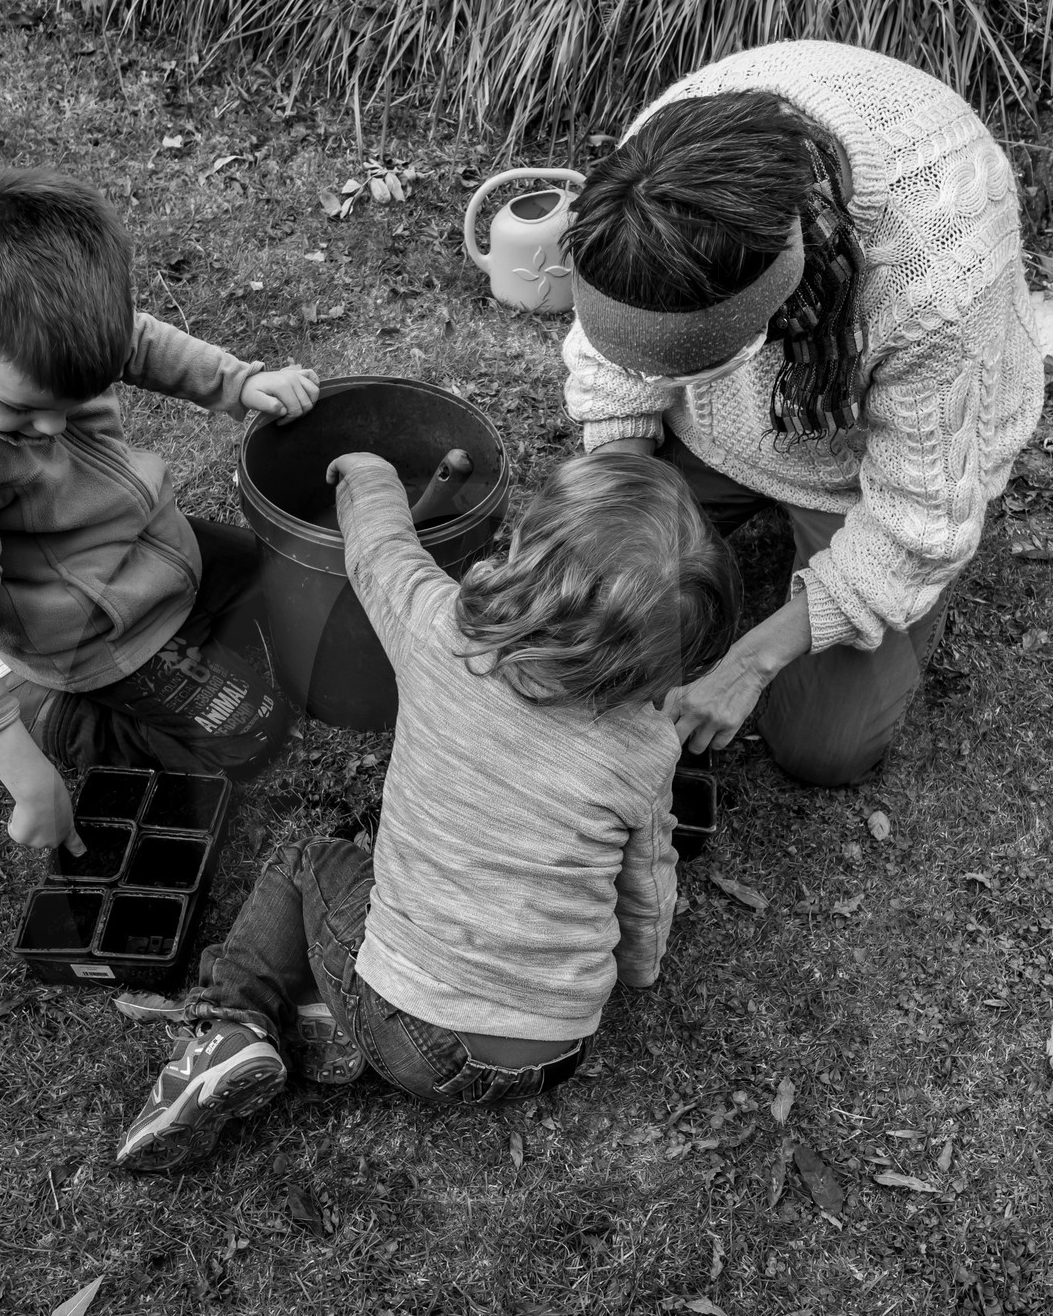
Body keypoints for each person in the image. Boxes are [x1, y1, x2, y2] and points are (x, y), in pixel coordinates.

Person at [114, 452, 741, 1170]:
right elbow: (646, 884)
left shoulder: (443, 635)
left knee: (310, 861)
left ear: (523, 557)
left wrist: (369, 474)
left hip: (418, 1037)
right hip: (556, 1045)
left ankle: (234, 1026)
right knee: (387, 862)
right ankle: (341, 1024)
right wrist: (640, 968)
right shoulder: (646, 748)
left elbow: (381, 552)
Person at [562, 41, 1044, 787]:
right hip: (719, 431)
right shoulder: (661, 159)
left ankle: (899, 609)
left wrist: (750, 662)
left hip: (867, 474)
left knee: (826, 750)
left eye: (687, 362)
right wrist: (619, 491)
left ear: (774, 305)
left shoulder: (938, 277)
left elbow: (917, 517)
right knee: (587, 597)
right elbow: (617, 355)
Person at [0, 166, 318, 854]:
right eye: (26, 410)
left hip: (146, 546)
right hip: (84, 630)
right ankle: (44, 710)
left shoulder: (15, 315)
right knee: (251, 734)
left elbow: (138, 340)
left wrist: (241, 384)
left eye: (75, 400)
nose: (54, 430)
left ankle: (46, 679)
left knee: (288, 580)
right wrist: (28, 777)